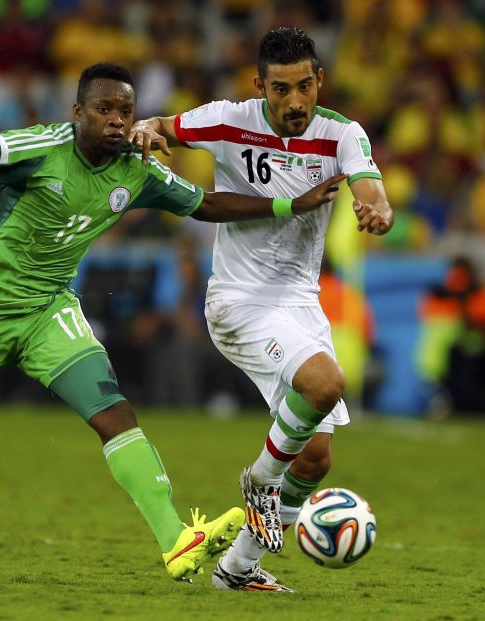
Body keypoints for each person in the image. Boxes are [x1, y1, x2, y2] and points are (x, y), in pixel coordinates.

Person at [0, 63, 344, 582]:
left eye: (126, 112)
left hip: (48, 310)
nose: (117, 121)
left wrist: (290, 206)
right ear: (76, 111)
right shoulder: (34, 148)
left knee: (114, 413)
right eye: (104, 108)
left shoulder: (138, 167)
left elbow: (204, 204)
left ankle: (176, 539)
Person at [129, 28, 394, 591]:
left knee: (316, 458)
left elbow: (370, 183)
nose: (295, 102)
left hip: (300, 305)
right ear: (260, 87)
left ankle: (237, 570)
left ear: (319, 79)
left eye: (304, 86)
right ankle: (260, 479)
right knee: (326, 383)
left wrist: (378, 208)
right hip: (239, 302)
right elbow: (161, 124)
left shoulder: (341, 133)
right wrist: (148, 131)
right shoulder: (228, 119)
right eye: (281, 89)